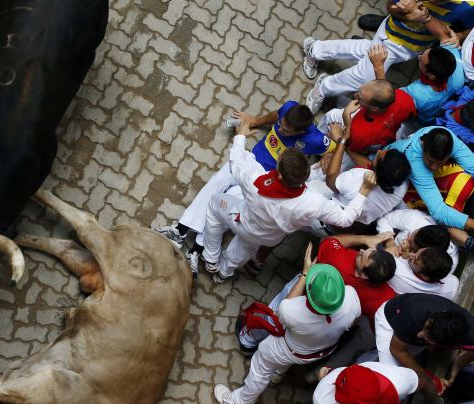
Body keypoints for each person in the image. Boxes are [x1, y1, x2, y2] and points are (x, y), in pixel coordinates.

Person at [154, 101, 332, 272]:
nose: (280, 130)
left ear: (301, 131)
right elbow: (275, 115)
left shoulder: (316, 139)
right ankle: (181, 230)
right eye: (281, 125)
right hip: (250, 159)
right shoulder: (289, 108)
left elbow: (331, 148)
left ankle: (197, 249)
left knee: (230, 200)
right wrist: (256, 120)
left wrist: (329, 155)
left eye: (286, 131)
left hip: (265, 178)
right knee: (217, 181)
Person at [199, 122, 376, 283]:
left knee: (215, 204)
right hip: (269, 237)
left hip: (243, 221)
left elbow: (236, 163)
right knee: (245, 245)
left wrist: (240, 136)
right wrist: (363, 192)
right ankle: (223, 273)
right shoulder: (314, 202)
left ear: (280, 175)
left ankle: (210, 257)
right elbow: (346, 219)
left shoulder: (255, 180)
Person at [215, 248, 361, 404]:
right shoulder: (352, 298)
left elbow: (282, 308)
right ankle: (278, 373)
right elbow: (353, 322)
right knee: (286, 358)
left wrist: (305, 273)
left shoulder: (293, 310)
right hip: (318, 350)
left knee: (260, 367)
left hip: (288, 348)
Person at [301, 0, 471, 113]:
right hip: (391, 36)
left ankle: (315, 49)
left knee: (364, 50)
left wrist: (459, 36)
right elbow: (391, 8)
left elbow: (467, 29)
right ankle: (323, 87)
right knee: (364, 77)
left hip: (415, 47)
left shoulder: (469, 5)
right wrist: (410, 14)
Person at [317, 57, 416, 170]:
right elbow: (411, 113)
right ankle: (338, 101)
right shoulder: (404, 98)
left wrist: (346, 118)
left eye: (360, 97)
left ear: (374, 108)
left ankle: (320, 145)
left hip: (364, 145)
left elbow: (350, 146)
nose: (355, 95)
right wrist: (378, 67)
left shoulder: (359, 131)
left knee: (332, 115)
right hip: (388, 136)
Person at [320, 117, 411, 229]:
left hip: (328, 221)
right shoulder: (402, 185)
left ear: (376, 172)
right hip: (355, 227)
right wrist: (344, 146)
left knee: (315, 175)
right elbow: (369, 164)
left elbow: (330, 179)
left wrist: (341, 141)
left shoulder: (358, 178)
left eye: (379, 156)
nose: (379, 151)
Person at [373, 293, 474, 392]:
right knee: (392, 378)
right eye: (426, 328)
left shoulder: (470, 330)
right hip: (390, 321)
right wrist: (430, 380)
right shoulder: (413, 315)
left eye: (427, 336)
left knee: (404, 363)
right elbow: (396, 350)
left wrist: (459, 362)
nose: (420, 334)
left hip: (408, 334)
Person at [386, 126, 474, 231]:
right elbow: (438, 211)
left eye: (441, 163)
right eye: (430, 160)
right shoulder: (414, 160)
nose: (433, 167)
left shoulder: (449, 138)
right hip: (388, 184)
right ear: (423, 145)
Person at [313, 234, 397, 323]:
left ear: (364, 276)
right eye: (365, 251)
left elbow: (326, 240)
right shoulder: (385, 299)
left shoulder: (338, 260)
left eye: (361, 257)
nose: (360, 250)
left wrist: (364, 239)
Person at [377, 209, 460, 270]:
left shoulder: (442, 264)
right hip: (390, 237)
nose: (408, 238)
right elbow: (384, 219)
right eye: (414, 233)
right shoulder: (416, 219)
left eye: (411, 242)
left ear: (424, 251)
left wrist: (404, 258)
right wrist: (390, 243)